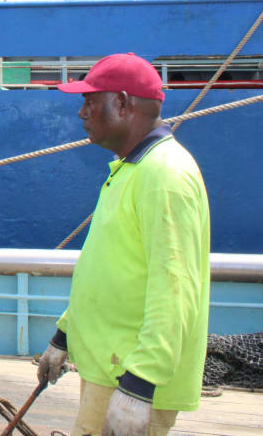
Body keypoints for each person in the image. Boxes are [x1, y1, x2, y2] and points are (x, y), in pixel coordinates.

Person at [37, 53, 210, 436]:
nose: (82, 113)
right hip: (111, 369)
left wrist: (140, 386)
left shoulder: (163, 175)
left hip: (130, 377)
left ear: (122, 103)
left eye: (89, 101)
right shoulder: (130, 169)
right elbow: (109, 267)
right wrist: (64, 336)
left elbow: (175, 288)